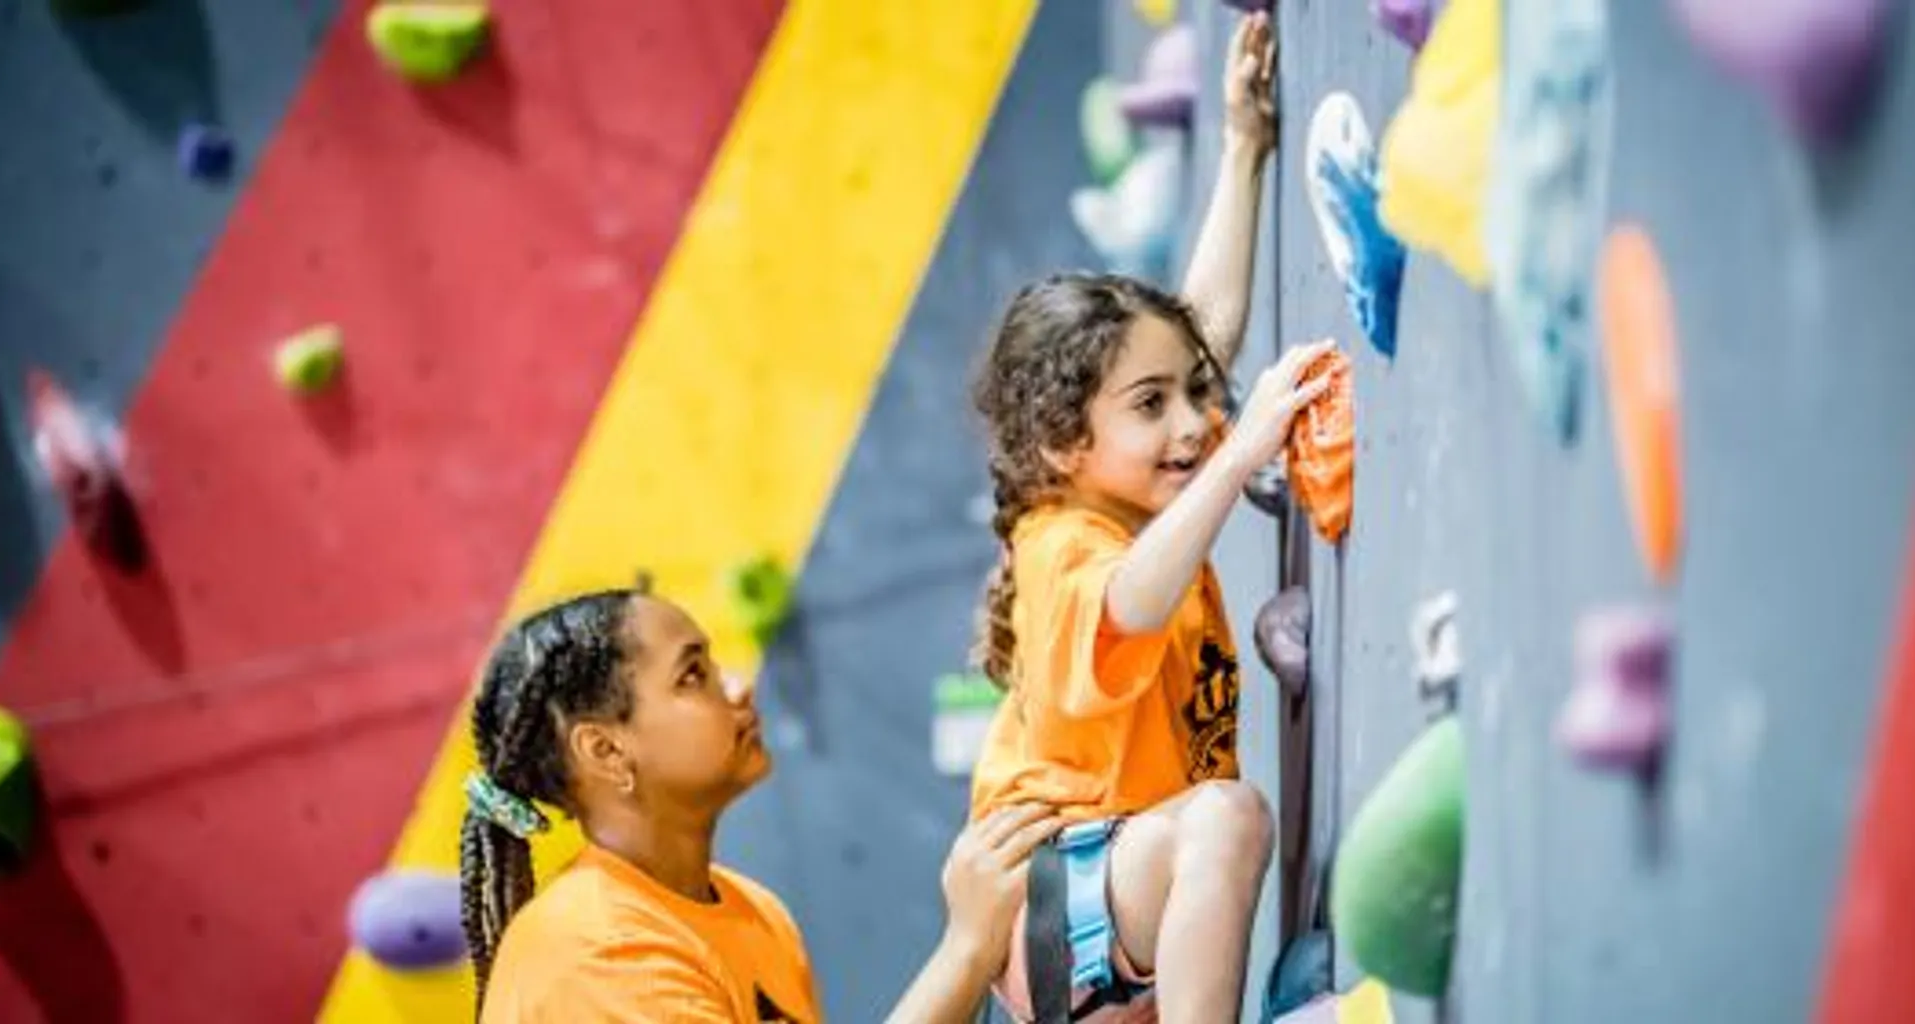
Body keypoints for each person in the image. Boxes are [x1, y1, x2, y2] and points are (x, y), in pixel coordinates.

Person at [965, 12, 1337, 1023]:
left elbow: (1200, 337)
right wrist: (1245, 448)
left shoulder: (1136, 478)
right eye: (1149, 407)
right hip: (1055, 897)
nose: (1191, 423)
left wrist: (1244, 149)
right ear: (1059, 448)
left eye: (1188, 399)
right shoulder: (1062, 540)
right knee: (1225, 819)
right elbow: (1129, 604)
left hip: (1116, 895)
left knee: (1218, 828)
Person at [458, 588, 1062, 1023]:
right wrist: (967, 949)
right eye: (692, 675)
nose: (739, 686)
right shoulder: (594, 951)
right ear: (605, 749)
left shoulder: (755, 911)